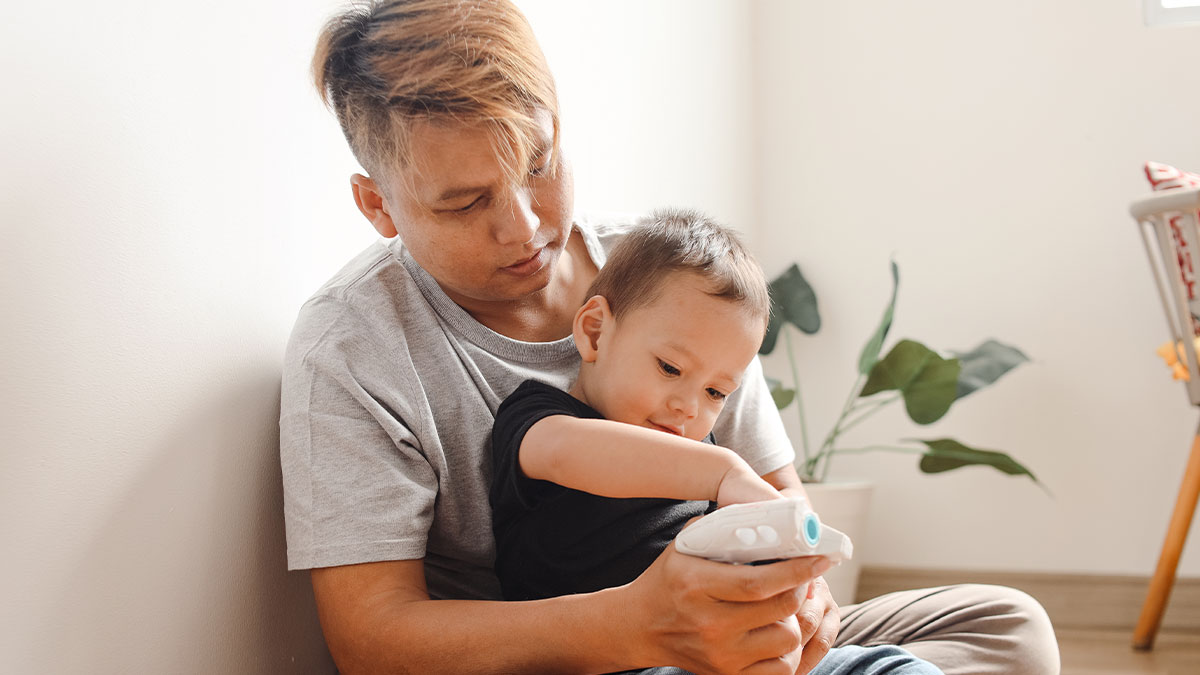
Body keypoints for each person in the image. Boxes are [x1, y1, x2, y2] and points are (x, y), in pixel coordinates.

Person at [280, 1, 1061, 673]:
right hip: (562, 651)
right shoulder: (353, 346)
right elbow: (372, 641)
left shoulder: (664, 283)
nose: (524, 225)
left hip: (729, 626)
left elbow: (778, 492)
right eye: (463, 202)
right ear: (378, 205)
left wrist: (802, 595)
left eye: (540, 164)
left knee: (1007, 626)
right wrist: (641, 623)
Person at [489, 210, 945, 675]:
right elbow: (571, 451)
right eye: (670, 368)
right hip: (615, 663)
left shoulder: (700, 444)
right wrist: (723, 472)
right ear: (595, 332)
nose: (690, 407)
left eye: (715, 392)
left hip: (727, 646)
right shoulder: (539, 419)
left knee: (896, 668)